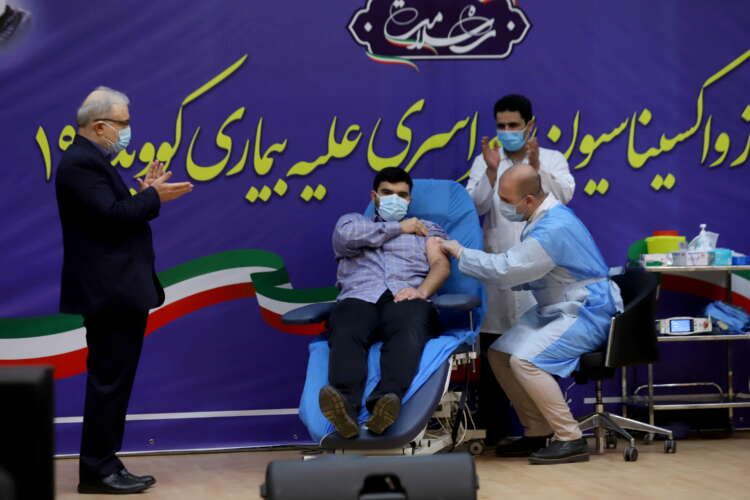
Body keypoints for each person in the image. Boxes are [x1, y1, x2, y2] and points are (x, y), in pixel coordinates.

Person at [55, 87, 193, 494]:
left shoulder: (93, 161)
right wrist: (151, 197)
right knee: (109, 383)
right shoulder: (81, 163)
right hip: (108, 293)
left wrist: (145, 195)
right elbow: (111, 216)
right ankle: (98, 470)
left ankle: (106, 463)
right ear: (100, 127)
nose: (128, 131)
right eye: (124, 124)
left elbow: (112, 216)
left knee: (115, 383)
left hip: (118, 291)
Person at [442, 164, 622, 464]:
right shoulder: (543, 217)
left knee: (524, 361)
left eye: (506, 200)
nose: (501, 206)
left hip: (586, 310)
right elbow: (534, 271)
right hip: (558, 307)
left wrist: (461, 253)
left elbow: (507, 269)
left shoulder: (553, 228)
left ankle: (570, 438)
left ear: (528, 200)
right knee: (499, 354)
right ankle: (537, 430)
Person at [465, 94, 575, 446]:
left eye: (514, 125)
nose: (507, 131)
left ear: (530, 125)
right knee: (496, 351)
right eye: (501, 125)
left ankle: (548, 431)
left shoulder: (552, 158)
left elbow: (564, 198)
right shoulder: (485, 161)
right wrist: (491, 171)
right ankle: (501, 434)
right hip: (499, 270)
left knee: (531, 355)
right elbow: (474, 206)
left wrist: (537, 166)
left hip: (537, 271)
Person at [319, 167, 451, 438]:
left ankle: (384, 404)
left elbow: (440, 264)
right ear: (374, 196)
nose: (395, 199)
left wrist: (422, 291)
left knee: (410, 325)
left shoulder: (427, 229)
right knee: (346, 326)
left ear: (409, 200)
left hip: (406, 297)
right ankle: (344, 408)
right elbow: (345, 239)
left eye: (402, 195)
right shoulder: (352, 222)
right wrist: (400, 228)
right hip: (360, 297)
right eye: (387, 193)